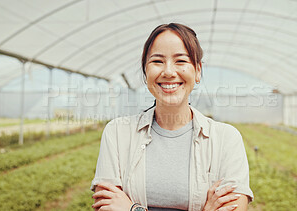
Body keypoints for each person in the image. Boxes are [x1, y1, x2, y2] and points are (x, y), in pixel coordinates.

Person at [90, 23, 253, 211]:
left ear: (198, 70)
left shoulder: (226, 138)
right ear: (145, 71)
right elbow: (106, 207)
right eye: (157, 61)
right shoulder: (118, 133)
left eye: (181, 61)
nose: (168, 72)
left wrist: (133, 209)